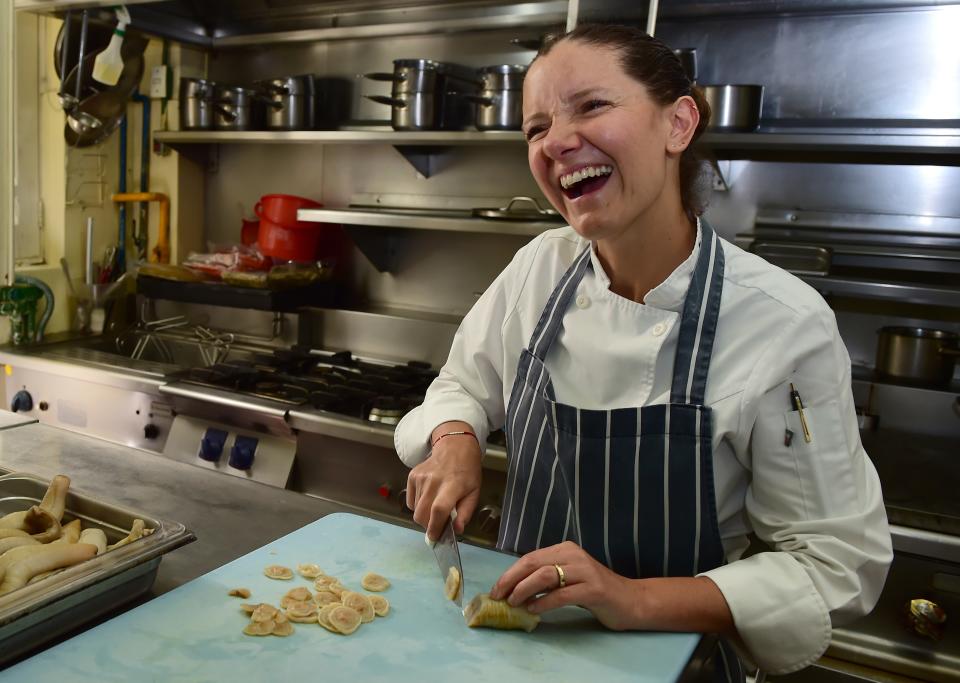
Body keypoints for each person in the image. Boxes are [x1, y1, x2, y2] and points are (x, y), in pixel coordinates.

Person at [394, 23, 892, 678]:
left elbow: (836, 564)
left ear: (678, 124)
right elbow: (461, 383)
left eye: (591, 106)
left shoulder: (782, 321)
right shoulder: (540, 268)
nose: (557, 142)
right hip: (515, 654)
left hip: (675, 664)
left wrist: (633, 598)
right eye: (536, 128)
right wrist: (455, 437)